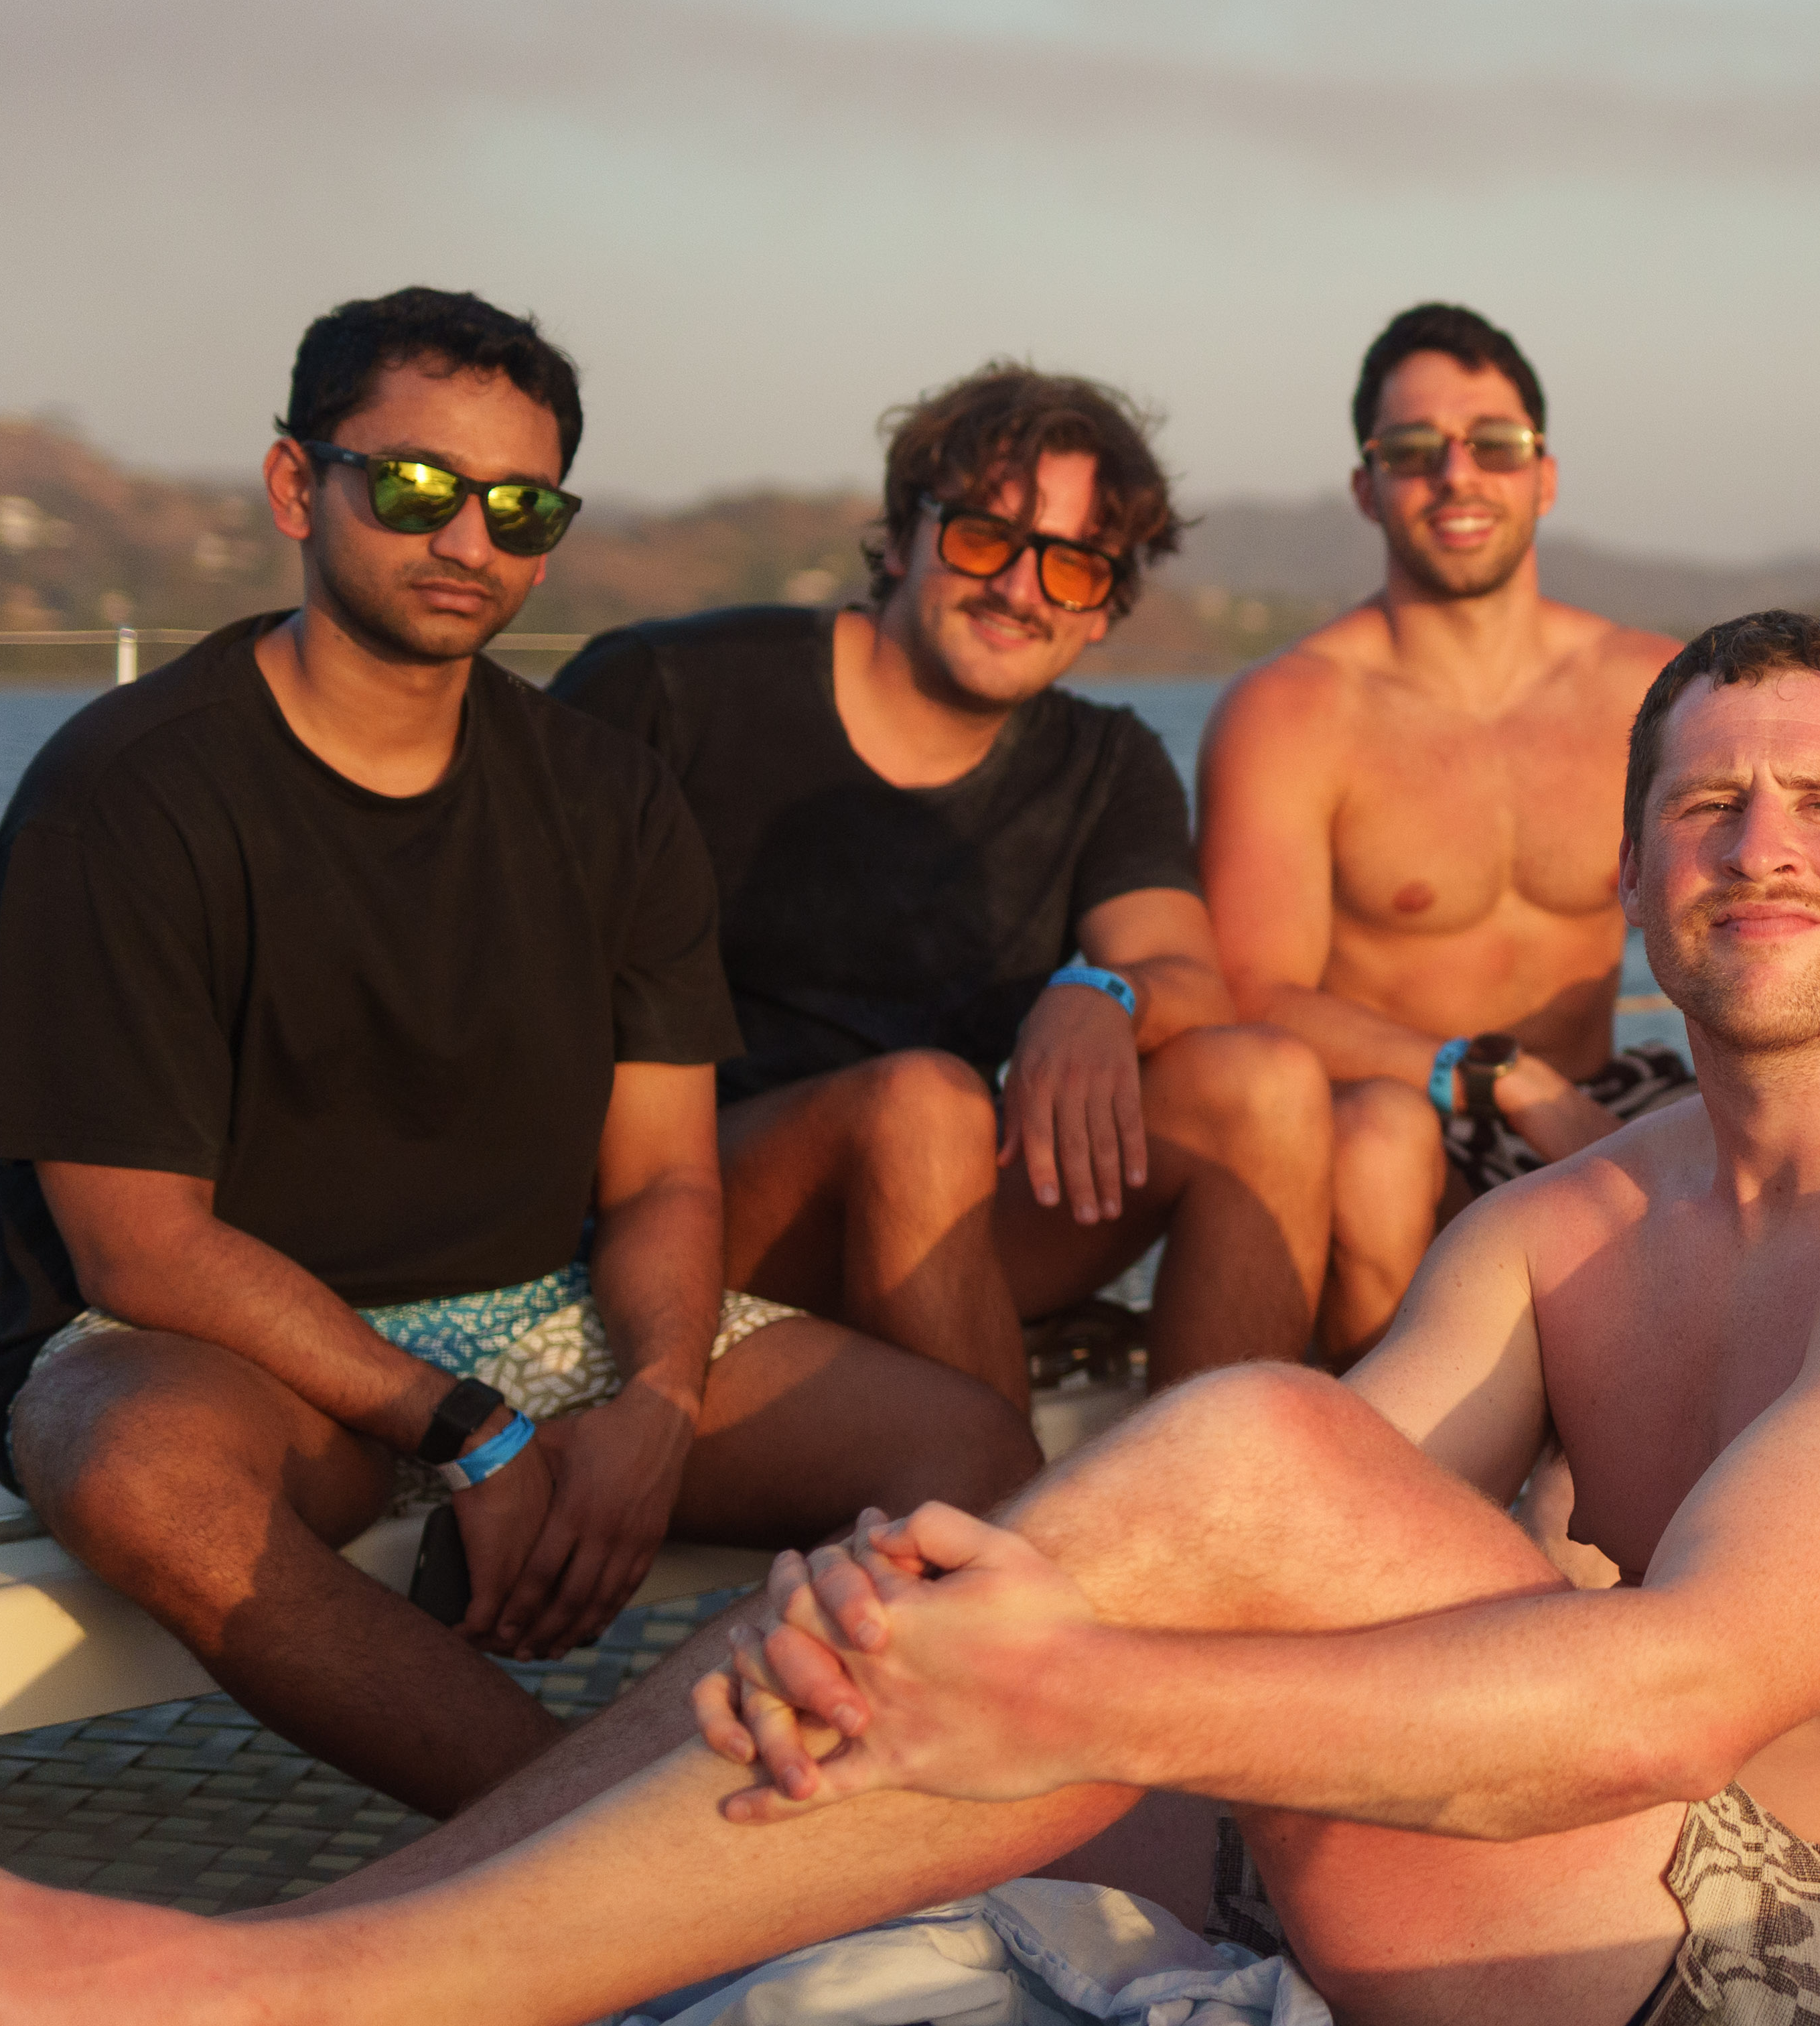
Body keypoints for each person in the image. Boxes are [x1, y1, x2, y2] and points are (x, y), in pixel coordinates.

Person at [0, 614, 1820, 2026]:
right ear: (1630, 878)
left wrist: (1069, 1681)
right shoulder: (1591, 1215)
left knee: (1194, 1506)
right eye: (1703, 802)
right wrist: (962, 1613)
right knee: (1030, 1559)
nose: (1754, 843)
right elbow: (1252, 1527)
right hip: (1527, 1947)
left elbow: (1678, 1685)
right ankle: (286, 2018)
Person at [0, 289, 1038, 1821]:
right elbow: (141, 1245)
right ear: (295, 486)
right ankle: (588, 1861)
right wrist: (463, 1423)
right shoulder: (127, 797)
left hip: (534, 1313)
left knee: (967, 1447)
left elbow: (663, 1171)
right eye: (416, 487)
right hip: (229, 1351)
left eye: (520, 508)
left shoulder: (610, 798)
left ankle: (879, 1836)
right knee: (135, 1474)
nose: (469, 538)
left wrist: (654, 1404)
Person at [553, 366, 1332, 1409]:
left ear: (1105, 611)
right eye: (982, 539)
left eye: (1074, 567)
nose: (1021, 590)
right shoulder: (670, 692)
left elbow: (1180, 968)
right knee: (924, 1103)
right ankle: (1004, 1519)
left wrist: (1103, 994)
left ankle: (1214, 1511)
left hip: (945, 1208)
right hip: (694, 1206)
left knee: (1266, 1085)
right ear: (898, 537)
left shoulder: (1102, 763)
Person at [1201, 304, 1687, 1357]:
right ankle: (1389, 1471)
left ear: (1543, 476)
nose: (1457, 476)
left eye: (1494, 446)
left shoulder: (1647, 685)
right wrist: (1495, 1074)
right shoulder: (1290, 712)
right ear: (1368, 488)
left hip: (1598, 1093)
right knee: (1377, 1143)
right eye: (1414, 452)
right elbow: (1252, 990)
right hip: (1408, 1116)